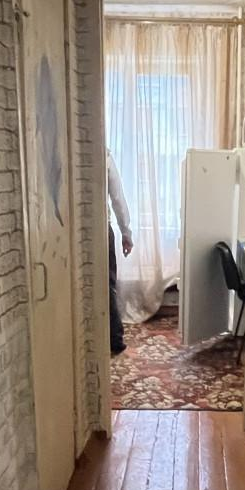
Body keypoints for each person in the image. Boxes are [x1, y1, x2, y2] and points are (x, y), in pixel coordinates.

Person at [107, 149, 133, 354]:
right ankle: (114, 338)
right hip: (101, 228)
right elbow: (117, 198)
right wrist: (126, 232)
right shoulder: (104, 156)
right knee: (107, 285)